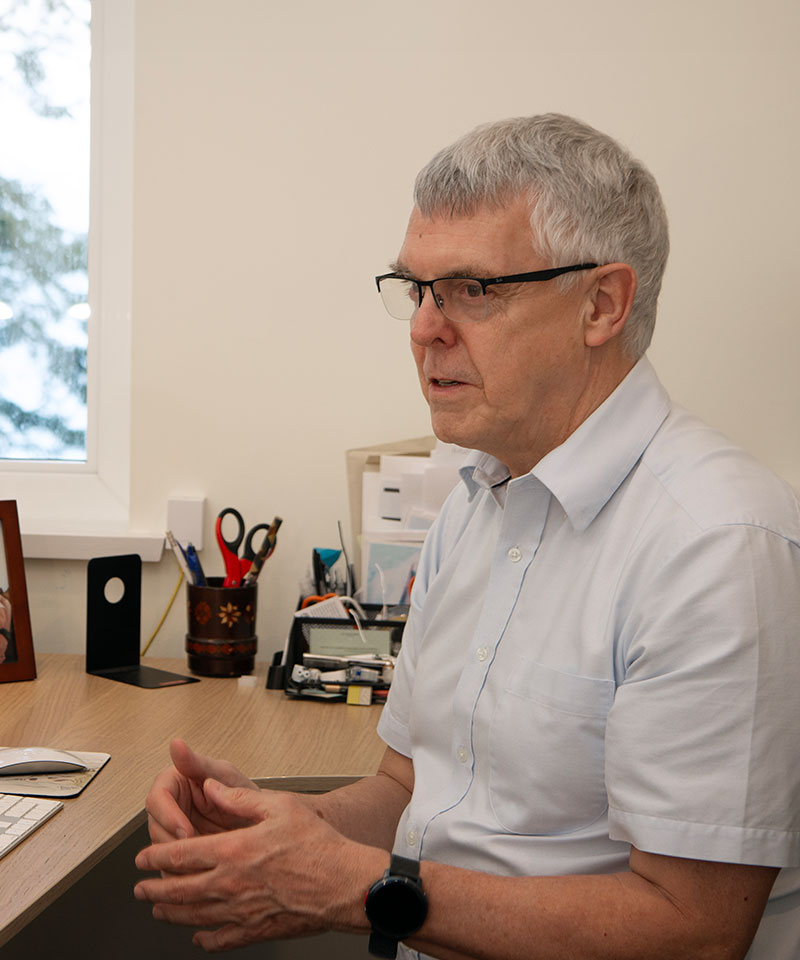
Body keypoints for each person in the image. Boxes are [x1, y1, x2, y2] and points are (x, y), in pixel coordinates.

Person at [134, 114, 800, 959]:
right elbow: (414, 792)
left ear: (602, 304)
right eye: (416, 289)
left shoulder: (718, 545)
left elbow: (693, 930)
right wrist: (279, 828)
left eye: (472, 290)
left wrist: (352, 888)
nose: (424, 328)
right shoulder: (478, 500)